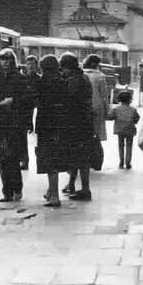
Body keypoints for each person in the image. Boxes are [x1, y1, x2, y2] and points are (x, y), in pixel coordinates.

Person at [0, 48, 33, 202]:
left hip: (14, 123)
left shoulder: (20, 79)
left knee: (12, 157)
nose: (5, 62)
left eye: (8, 60)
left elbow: (28, 99)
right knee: (1, 158)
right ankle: (7, 191)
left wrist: (13, 101)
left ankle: (17, 188)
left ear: (13, 61)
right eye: (2, 60)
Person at [58, 52, 96, 201]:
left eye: (63, 68)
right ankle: (72, 184)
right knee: (78, 156)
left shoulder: (74, 81)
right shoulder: (83, 77)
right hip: (85, 122)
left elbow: (68, 101)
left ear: (68, 68)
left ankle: (85, 189)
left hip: (76, 123)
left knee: (79, 157)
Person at [32, 55, 68, 207]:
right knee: (56, 157)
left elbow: (33, 100)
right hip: (61, 123)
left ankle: (54, 196)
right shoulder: (63, 82)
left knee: (49, 160)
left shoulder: (41, 82)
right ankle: (50, 191)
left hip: (46, 124)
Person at [109, 89, 140, 169]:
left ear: (119, 99)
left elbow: (111, 117)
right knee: (129, 145)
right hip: (130, 129)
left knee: (121, 145)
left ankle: (121, 162)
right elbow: (137, 118)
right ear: (130, 100)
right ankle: (128, 162)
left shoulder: (116, 109)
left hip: (120, 130)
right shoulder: (133, 109)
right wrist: (134, 122)